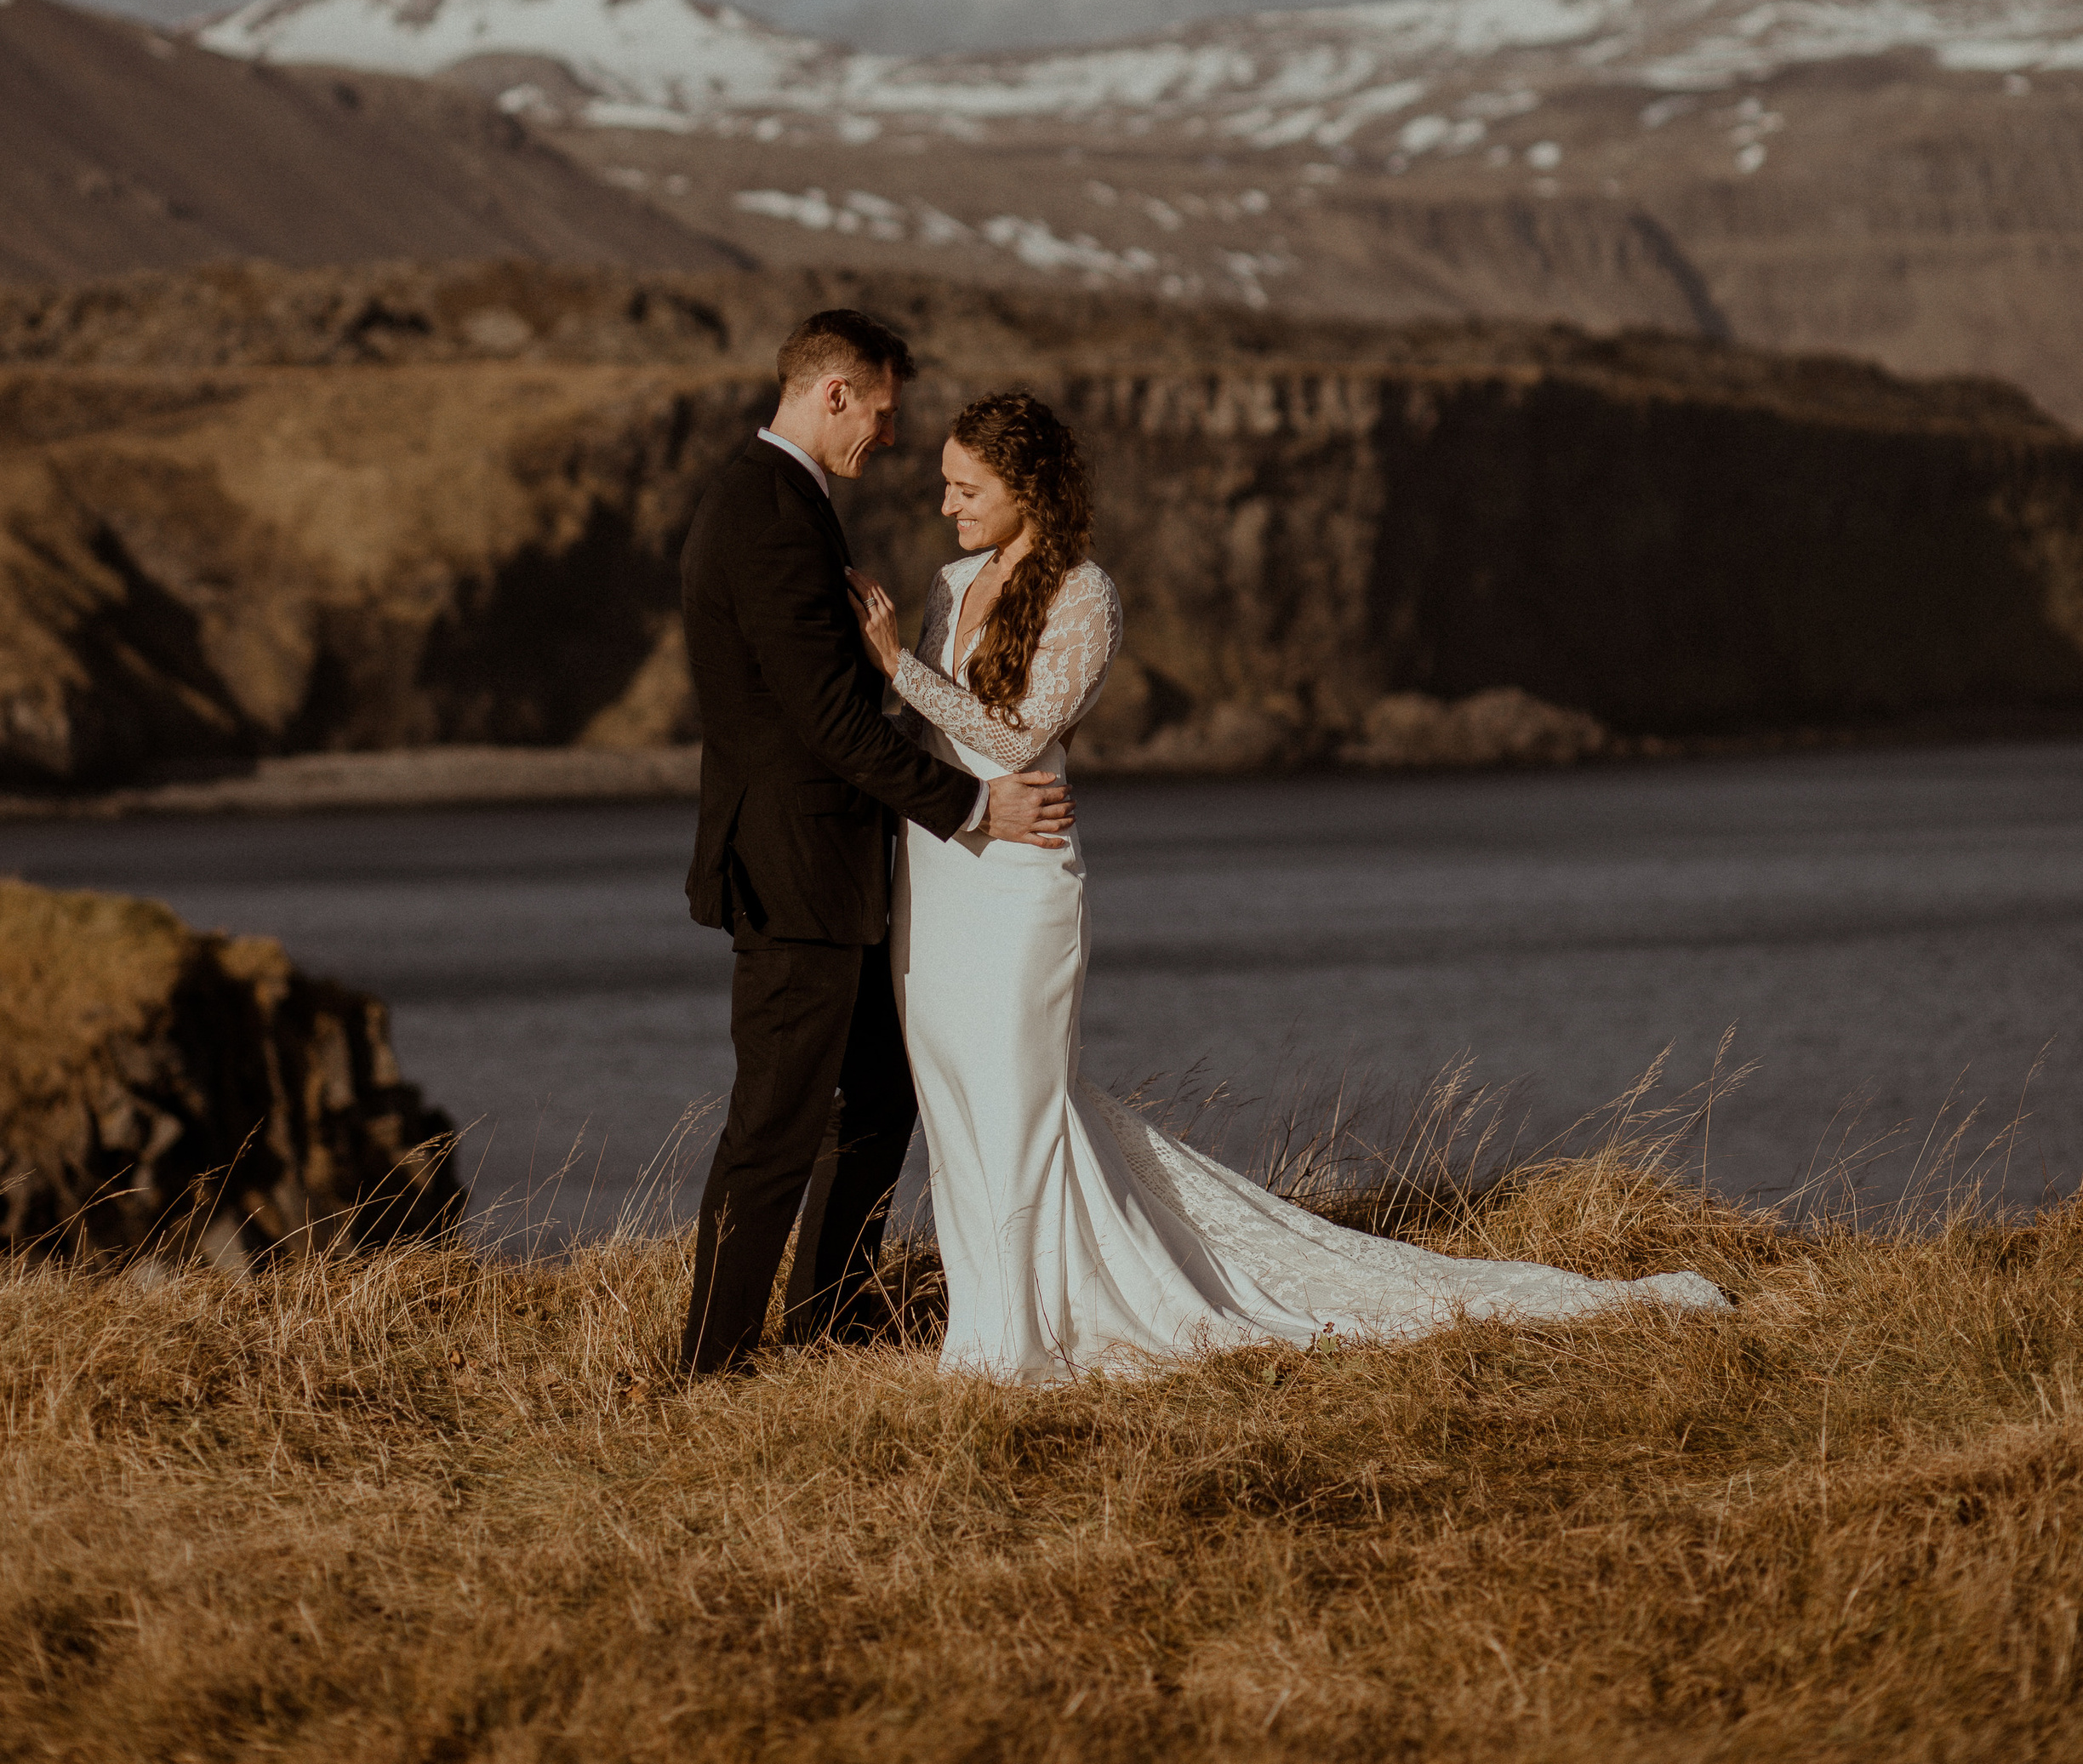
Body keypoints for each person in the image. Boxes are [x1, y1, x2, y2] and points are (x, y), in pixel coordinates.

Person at [849, 388, 1728, 1383]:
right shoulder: (946, 581)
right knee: (959, 1097)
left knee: (1020, 1096)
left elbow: (1013, 740)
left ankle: (1016, 1343)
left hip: (1019, 888)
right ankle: (996, 1314)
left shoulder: (1086, 594)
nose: (945, 507)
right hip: (940, 877)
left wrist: (895, 665)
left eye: (964, 488)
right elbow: (925, 736)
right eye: (944, 487)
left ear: (1026, 487)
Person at [676, 309, 1074, 1378]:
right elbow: (829, 723)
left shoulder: (782, 501)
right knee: (775, 1125)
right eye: (885, 414)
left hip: (829, 870)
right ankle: (710, 1365)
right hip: (796, 874)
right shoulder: (768, 511)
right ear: (834, 394)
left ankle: (830, 1321)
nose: (889, 441)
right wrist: (975, 808)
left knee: (883, 1095)